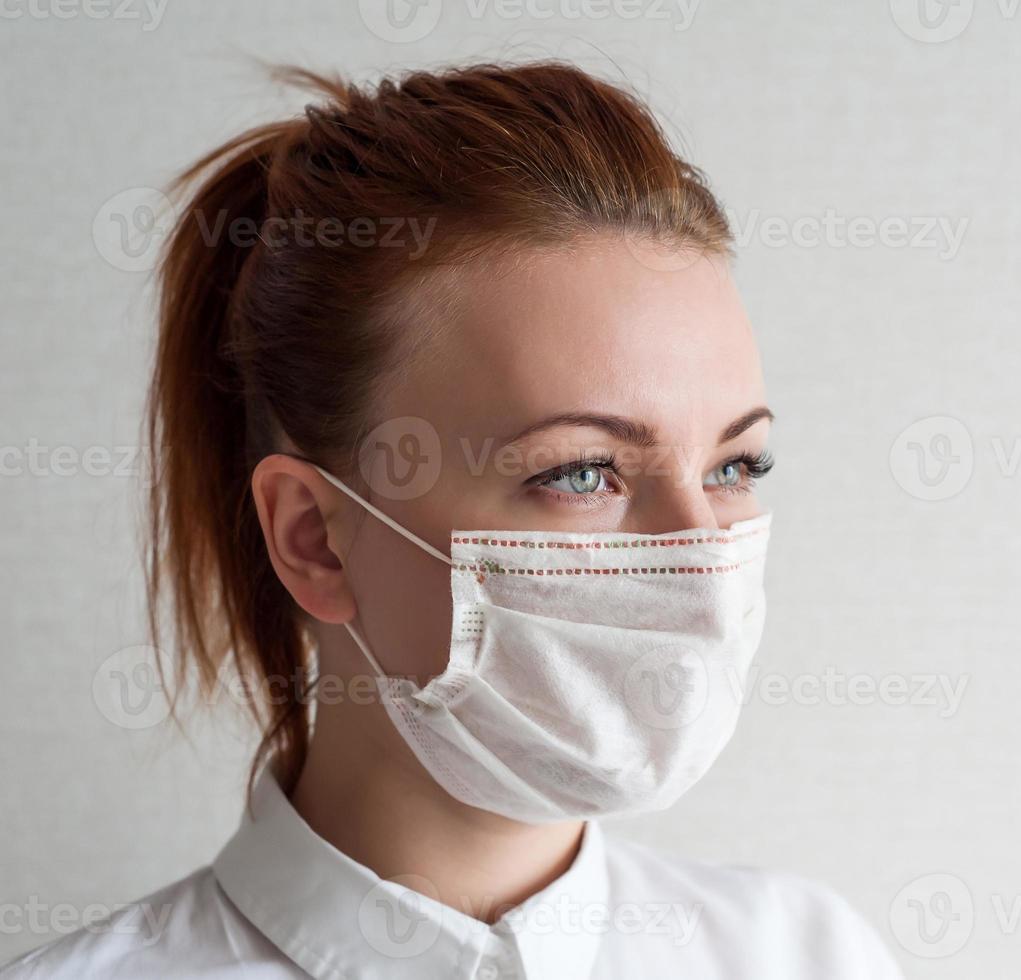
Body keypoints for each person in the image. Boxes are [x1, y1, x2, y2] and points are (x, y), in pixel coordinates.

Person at [3, 62, 902, 979]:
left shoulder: (807, 954)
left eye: (733, 466)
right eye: (582, 471)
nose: (702, 556)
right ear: (314, 537)